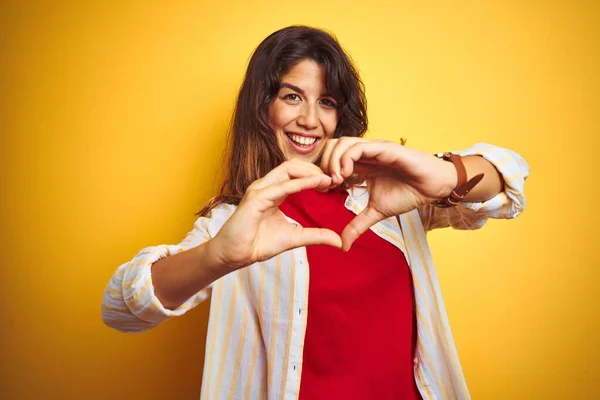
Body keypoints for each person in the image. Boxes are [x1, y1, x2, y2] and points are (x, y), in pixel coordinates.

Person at [102, 25, 529, 400]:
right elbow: (122, 308)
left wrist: (441, 174)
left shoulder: (385, 195)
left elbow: (508, 183)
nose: (310, 119)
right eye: (292, 97)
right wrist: (217, 257)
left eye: (326, 102)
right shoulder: (236, 221)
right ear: (262, 108)